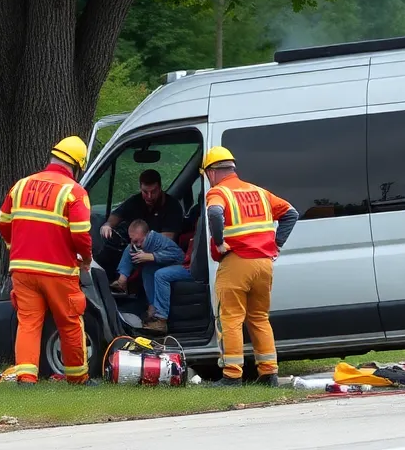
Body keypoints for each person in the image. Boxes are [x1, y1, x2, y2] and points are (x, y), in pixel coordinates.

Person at [0, 136, 96, 386]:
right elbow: (81, 234)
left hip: (22, 270)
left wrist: (14, 247)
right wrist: (86, 258)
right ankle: (77, 377)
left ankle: (26, 377)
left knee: (28, 322)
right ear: (76, 166)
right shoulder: (74, 191)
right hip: (58, 270)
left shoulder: (21, 186)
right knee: (70, 321)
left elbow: (3, 222)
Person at [201, 146, 299, 386]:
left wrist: (219, 242)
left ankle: (232, 375)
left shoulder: (218, 192)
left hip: (237, 262)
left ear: (211, 172)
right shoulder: (259, 192)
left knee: (230, 318)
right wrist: (276, 244)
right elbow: (291, 213)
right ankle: (269, 373)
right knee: (259, 318)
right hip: (263, 264)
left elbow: (214, 213)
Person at [109, 219, 187, 322]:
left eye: (139, 241)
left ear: (148, 235)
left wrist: (152, 256)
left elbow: (179, 256)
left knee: (159, 274)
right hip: (160, 264)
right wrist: (123, 276)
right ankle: (122, 282)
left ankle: (158, 315)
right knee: (146, 268)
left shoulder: (159, 241)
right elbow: (131, 250)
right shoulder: (139, 243)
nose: (137, 244)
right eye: (133, 240)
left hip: (177, 265)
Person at [98, 169, 184, 242]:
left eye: (153, 192)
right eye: (145, 192)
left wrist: (141, 242)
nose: (149, 196)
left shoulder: (172, 206)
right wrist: (108, 225)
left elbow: (168, 238)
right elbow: (117, 214)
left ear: (160, 188)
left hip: (160, 250)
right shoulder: (135, 201)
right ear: (140, 188)